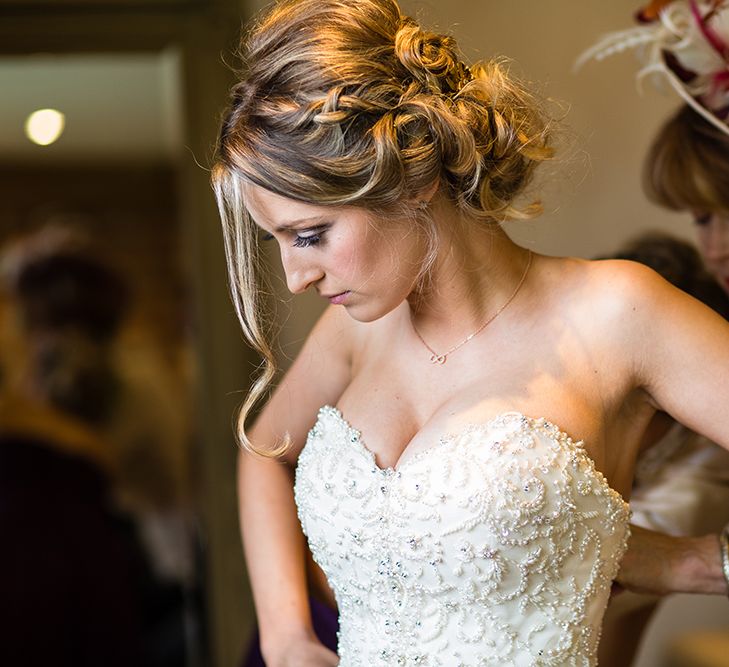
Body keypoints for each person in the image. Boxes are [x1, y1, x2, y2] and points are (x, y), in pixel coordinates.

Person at [212, 1, 729, 665]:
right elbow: (264, 451)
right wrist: (286, 635)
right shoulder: (353, 332)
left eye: (311, 235)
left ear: (415, 179)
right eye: (278, 240)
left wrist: (696, 563)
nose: (294, 278)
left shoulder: (615, 312)